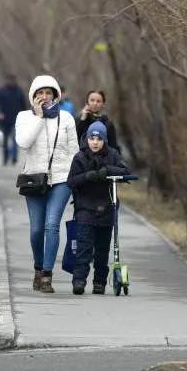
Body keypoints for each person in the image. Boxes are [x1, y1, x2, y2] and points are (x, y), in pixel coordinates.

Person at [15, 75, 80, 293]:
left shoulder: (67, 118)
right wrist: (39, 118)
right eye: (40, 93)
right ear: (33, 96)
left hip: (61, 179)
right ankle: (37, 267)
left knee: (52, 225)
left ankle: (47, 275)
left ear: (55, 95)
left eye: (48, 93)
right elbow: (23, 143)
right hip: (34, 179)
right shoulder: (24, 117)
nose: (44, 97)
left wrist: (74, 179)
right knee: (36, 231)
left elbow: (74, 152)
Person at [66, 120, 132, 295]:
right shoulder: (79, 157)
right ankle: (79, 280)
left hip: (107, 207)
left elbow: (126, 172)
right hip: (85, 207)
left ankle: (100, 282)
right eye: (92, 138)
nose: (95, 142)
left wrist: (108, 171)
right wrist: (87, 176)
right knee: (84, 247)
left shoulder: (113, 155)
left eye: (99, 139)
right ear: (87, 139)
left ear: (104, 140)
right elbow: (71, 181)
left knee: (103, 248)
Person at [0, 74, 29, 165]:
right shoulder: (2, 91)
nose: (10, 82)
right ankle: (5, 158)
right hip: (4, 120)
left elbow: (24, 105)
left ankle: (14, 157)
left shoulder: (19, 91)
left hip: (16, 119)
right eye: (9, 80)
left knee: (14, 139)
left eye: (12, 80)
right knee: (5, 141)